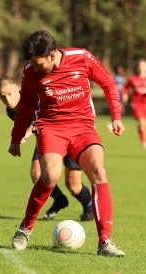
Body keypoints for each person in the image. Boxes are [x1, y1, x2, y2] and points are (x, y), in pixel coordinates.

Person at [8, 30, 126, 257]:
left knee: (99, 171)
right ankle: (25, 228)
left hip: (83, 127)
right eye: (31, 62)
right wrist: (15, 139)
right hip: (52, 128)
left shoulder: (81, 57)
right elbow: (25, 108)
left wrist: (116, 116)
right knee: (50, 176)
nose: (35, 67)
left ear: (52, 55)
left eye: (39, 62)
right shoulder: (30, 72)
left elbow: (109, 83)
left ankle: (105, 242)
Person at [0, 76, 94, 222]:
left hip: (68, 131)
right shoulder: (11, 112)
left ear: (17, 88)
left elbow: (38, 118)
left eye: (9, 94)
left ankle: (89, 207)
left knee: (73, 185)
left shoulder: (33, 97)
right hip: (47, 137)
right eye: (2, 97)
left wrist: (26, 134)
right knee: (37, 174)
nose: (7, 100)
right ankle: (60, 200)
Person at [122, 59, 146, 149]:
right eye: (140, 66)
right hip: (137, 103)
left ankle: (140, 129)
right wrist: (125, 95)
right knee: (141, 123)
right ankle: (144, 142)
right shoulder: (133, 79)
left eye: (143, 66)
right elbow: (125, 88)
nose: (141, 68)